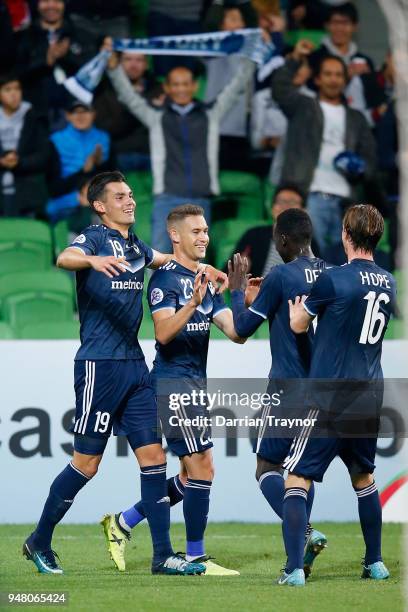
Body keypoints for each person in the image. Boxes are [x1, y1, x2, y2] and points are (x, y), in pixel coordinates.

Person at [22, 171, 227, 576]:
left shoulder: (135, 245)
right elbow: (64, 257)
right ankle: (39, 540)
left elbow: (168, 260)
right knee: (87, 463)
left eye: (131, 195)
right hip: (100, 365)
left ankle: (162, 556)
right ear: (100, 205)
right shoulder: (95, 237)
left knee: (154, 458)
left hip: (135, 367)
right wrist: (92, 260)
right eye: (120, 196)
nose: (130, 201)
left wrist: (209, 271)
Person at [101, 203, 251, 575]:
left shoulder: (202, 279)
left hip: (194, 384)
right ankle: (196, 556)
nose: (204, 237)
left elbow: (236, 333)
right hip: (172, 384)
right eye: (196, 231)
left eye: (205, 231)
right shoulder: (165, 280)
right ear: (175, 236)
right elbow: (164, 333)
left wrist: (237, 293)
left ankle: (123, 521)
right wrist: (194, 304)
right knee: (203, 467)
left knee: (190, 474)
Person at [280, 204, 396, 586]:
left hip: (330, 395)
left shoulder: (332, 280)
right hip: (369, 394)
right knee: (363, 477)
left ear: (346, 234)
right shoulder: (388, 280)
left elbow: (299, 324)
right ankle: (375, 563)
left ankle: (294, 570)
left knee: (295, 478)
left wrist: (299, 306)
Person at [227, 208, 327, 579]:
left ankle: (303, 538)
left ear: (283, 240)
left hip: (288, 387)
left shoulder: (281, 275)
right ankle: (306, 543)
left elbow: (241, 329)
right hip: (327, 390)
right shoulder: (331, 273)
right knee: (302, 473)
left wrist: (237, 294)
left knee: (267, 467)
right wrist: (263, 299)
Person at [105, 38, 256, 252]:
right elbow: (129, 97)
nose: (181, 89)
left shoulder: (210, 114)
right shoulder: (156, 116)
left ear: (194, 86)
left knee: (195, 260)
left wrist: (252, 56)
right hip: (167, 197)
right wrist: (114, 70)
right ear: (167, 87)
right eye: (175, 84)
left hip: (201, 199)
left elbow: (237, 87)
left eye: (186, 84)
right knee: (159, 259)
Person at [272, 39, 377, 261]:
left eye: (338, 75)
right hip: (310, 197)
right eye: (328, 74)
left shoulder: (357, 119)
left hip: (345, 203)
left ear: (345, 80)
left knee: (341, 264)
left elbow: (370, 163)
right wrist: (295, 59)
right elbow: (280, 90)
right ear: (318, 79)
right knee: (308, 261)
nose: (333, 79)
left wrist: (359, 169)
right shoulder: (304, 106)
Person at [16, 0, 96, 128]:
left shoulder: (80, 35)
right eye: (46, 1)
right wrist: (46, 62)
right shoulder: (24, 37)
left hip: (75, 113)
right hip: (35, 115)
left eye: (57, 1)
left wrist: (66, 57)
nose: (51, 6)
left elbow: (90, 74)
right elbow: (18, 75)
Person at [93, 52, 163, 172]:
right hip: (120, 155)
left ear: (146, 64)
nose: (133, 65)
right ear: (119, 63)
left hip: (153, 153)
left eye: (139, 60)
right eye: (128, 59)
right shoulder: (104, 89)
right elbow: (104, 129)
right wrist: (134, 103)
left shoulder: (159, 89)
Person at [46, 99, 113, 223]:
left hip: (98, 197)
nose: (81, 116)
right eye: (75, 112)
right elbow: (53, 186)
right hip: (65, 200)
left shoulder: (104, 138)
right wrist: (83, 172)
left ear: (93, 114)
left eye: (85, 111)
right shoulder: (55, 140)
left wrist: (99, 165)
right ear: (68, 116)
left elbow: (112, 176)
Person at [224, 185, 309, 277]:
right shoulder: (253, 235)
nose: (286, 206)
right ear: (273, 209)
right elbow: (225, 274)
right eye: (281, 201)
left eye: (292, 202)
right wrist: (238, 270)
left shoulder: (309, 244)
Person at [308, 3, 375, 114]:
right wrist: (346, 76)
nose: (339, 28)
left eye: (345, 23)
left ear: (355, 26)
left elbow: (373, 100)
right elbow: (309, 92)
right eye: (335, 23)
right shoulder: (315, 58)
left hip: (359, 123)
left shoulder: (365, 61)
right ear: (327, 25)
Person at [0, 74, 48, 217]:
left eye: (17, 89)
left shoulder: (35, 118)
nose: (14, 94)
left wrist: (20, 162)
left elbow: (44, 156)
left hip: (28, 195)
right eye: (7, 90)